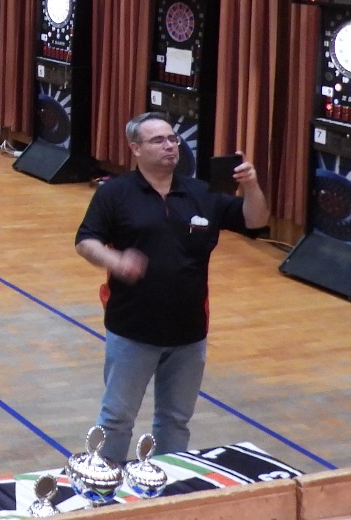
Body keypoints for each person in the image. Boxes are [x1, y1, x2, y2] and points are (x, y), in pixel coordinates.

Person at [75, 112, 269, 464]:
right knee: (117, 419)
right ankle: (104, 485)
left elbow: (255, 220)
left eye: (172, 139)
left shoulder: (201, 193)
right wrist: (116, 261)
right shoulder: (115, 193)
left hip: (189, 333)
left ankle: (169, 485)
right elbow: (85, 242)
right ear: (135, 148)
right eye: (158, 140)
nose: (169, 146)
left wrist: (252, 185)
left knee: (175, 421)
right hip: (132, 331)